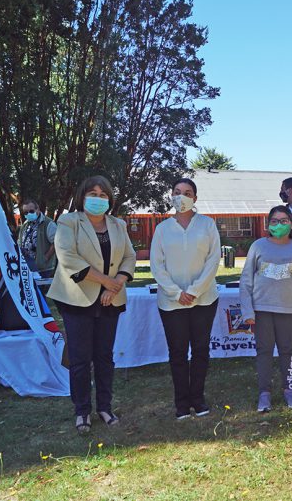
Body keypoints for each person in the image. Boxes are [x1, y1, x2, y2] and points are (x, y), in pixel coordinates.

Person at [48, 176, 136, 433]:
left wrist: (117, 282)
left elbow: (130, 256)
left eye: (103, 194)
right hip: (77, 299)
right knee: (80, 359)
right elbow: (67, 257)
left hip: (111, 300)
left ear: (109, 199)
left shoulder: (118, 224)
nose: (98, 198)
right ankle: (82, 411)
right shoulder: (69, 221)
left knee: (105, 357)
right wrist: (106, 281)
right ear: (82, 196)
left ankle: (105, 407)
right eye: (92, 193)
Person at [150, 178, 221, 420]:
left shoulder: (208, 225)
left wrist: (194, 290)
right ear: (171, 196)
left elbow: (213, 261)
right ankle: (181, 402)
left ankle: (198, 399)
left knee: (200, 351)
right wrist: (176, 292)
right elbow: (157, 266)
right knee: (178, 353)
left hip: (204, 300)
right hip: (171, 303)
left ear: (195, 198)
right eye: (177, 192)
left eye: (187, 193)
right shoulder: (161, 229)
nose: (182, 197)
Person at [239, 205, 292, 412]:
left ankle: (289, 389)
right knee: (264, 351)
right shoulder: (258, 246)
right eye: (274, 221)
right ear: (267, 224)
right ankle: (264, 393)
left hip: (289, 310)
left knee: (287, 350)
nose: (278, 225)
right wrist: (247, 311)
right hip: (261, 309)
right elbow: (246, 281)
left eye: (283, 221)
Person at [17, 199, 57, 278]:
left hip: (43, 268)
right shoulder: (25, 224)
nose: (28, 214)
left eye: (31, 211)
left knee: (41, 289)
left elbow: (56, 242)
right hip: (27, 266)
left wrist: (45, 258)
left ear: (38, 209)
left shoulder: (48, 223)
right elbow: (19, 241)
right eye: (26, 212)